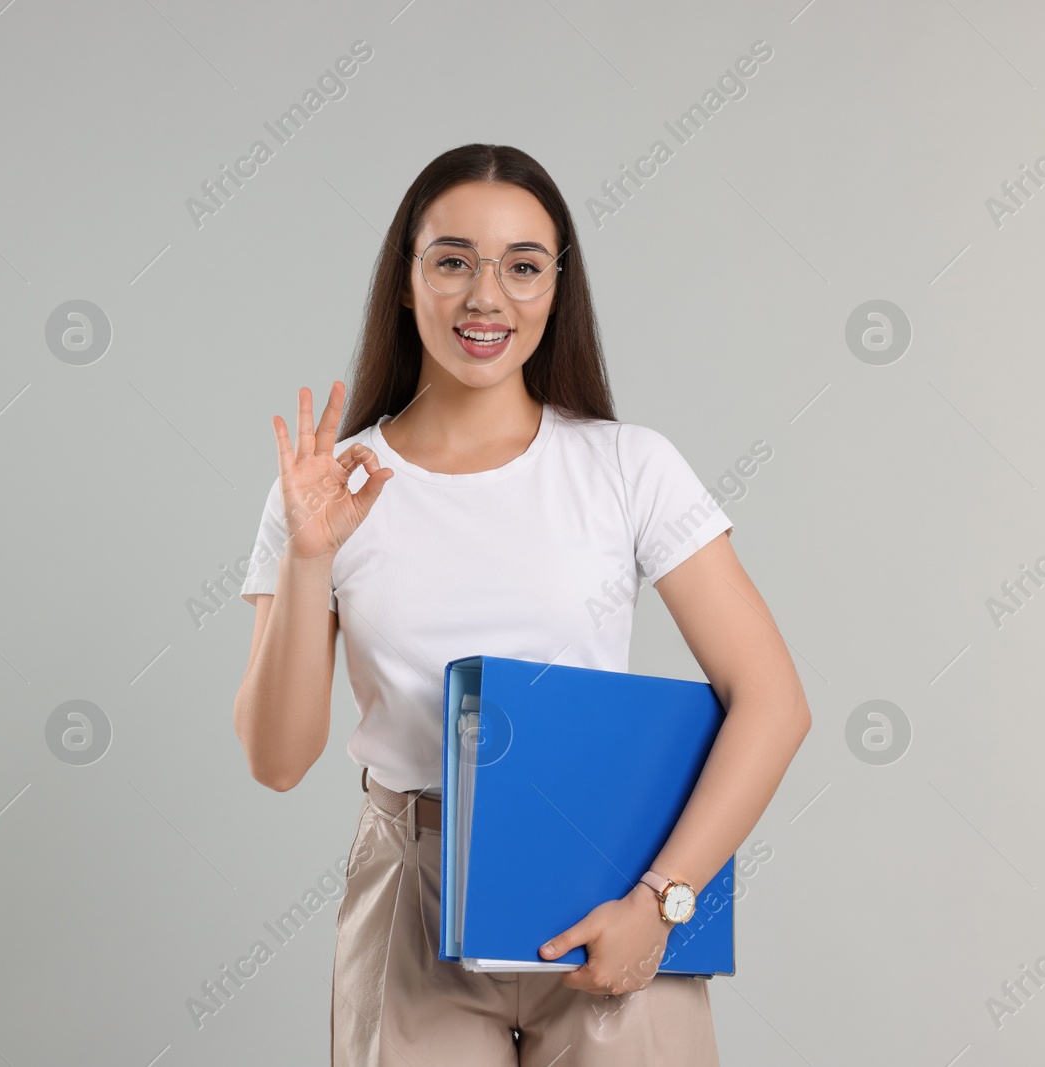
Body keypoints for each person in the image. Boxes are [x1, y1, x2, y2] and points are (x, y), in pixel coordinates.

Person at [231, 144, 811, 1066]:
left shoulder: (627, 465)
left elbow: (774, 701)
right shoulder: (328, 488)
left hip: (609, 874)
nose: (486, 297)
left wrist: (663, 898)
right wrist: (310, 558)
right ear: (407, 279)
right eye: (453, 260)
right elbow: (276, 758)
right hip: (411, 886)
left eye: (523, 267)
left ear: (556, 288)